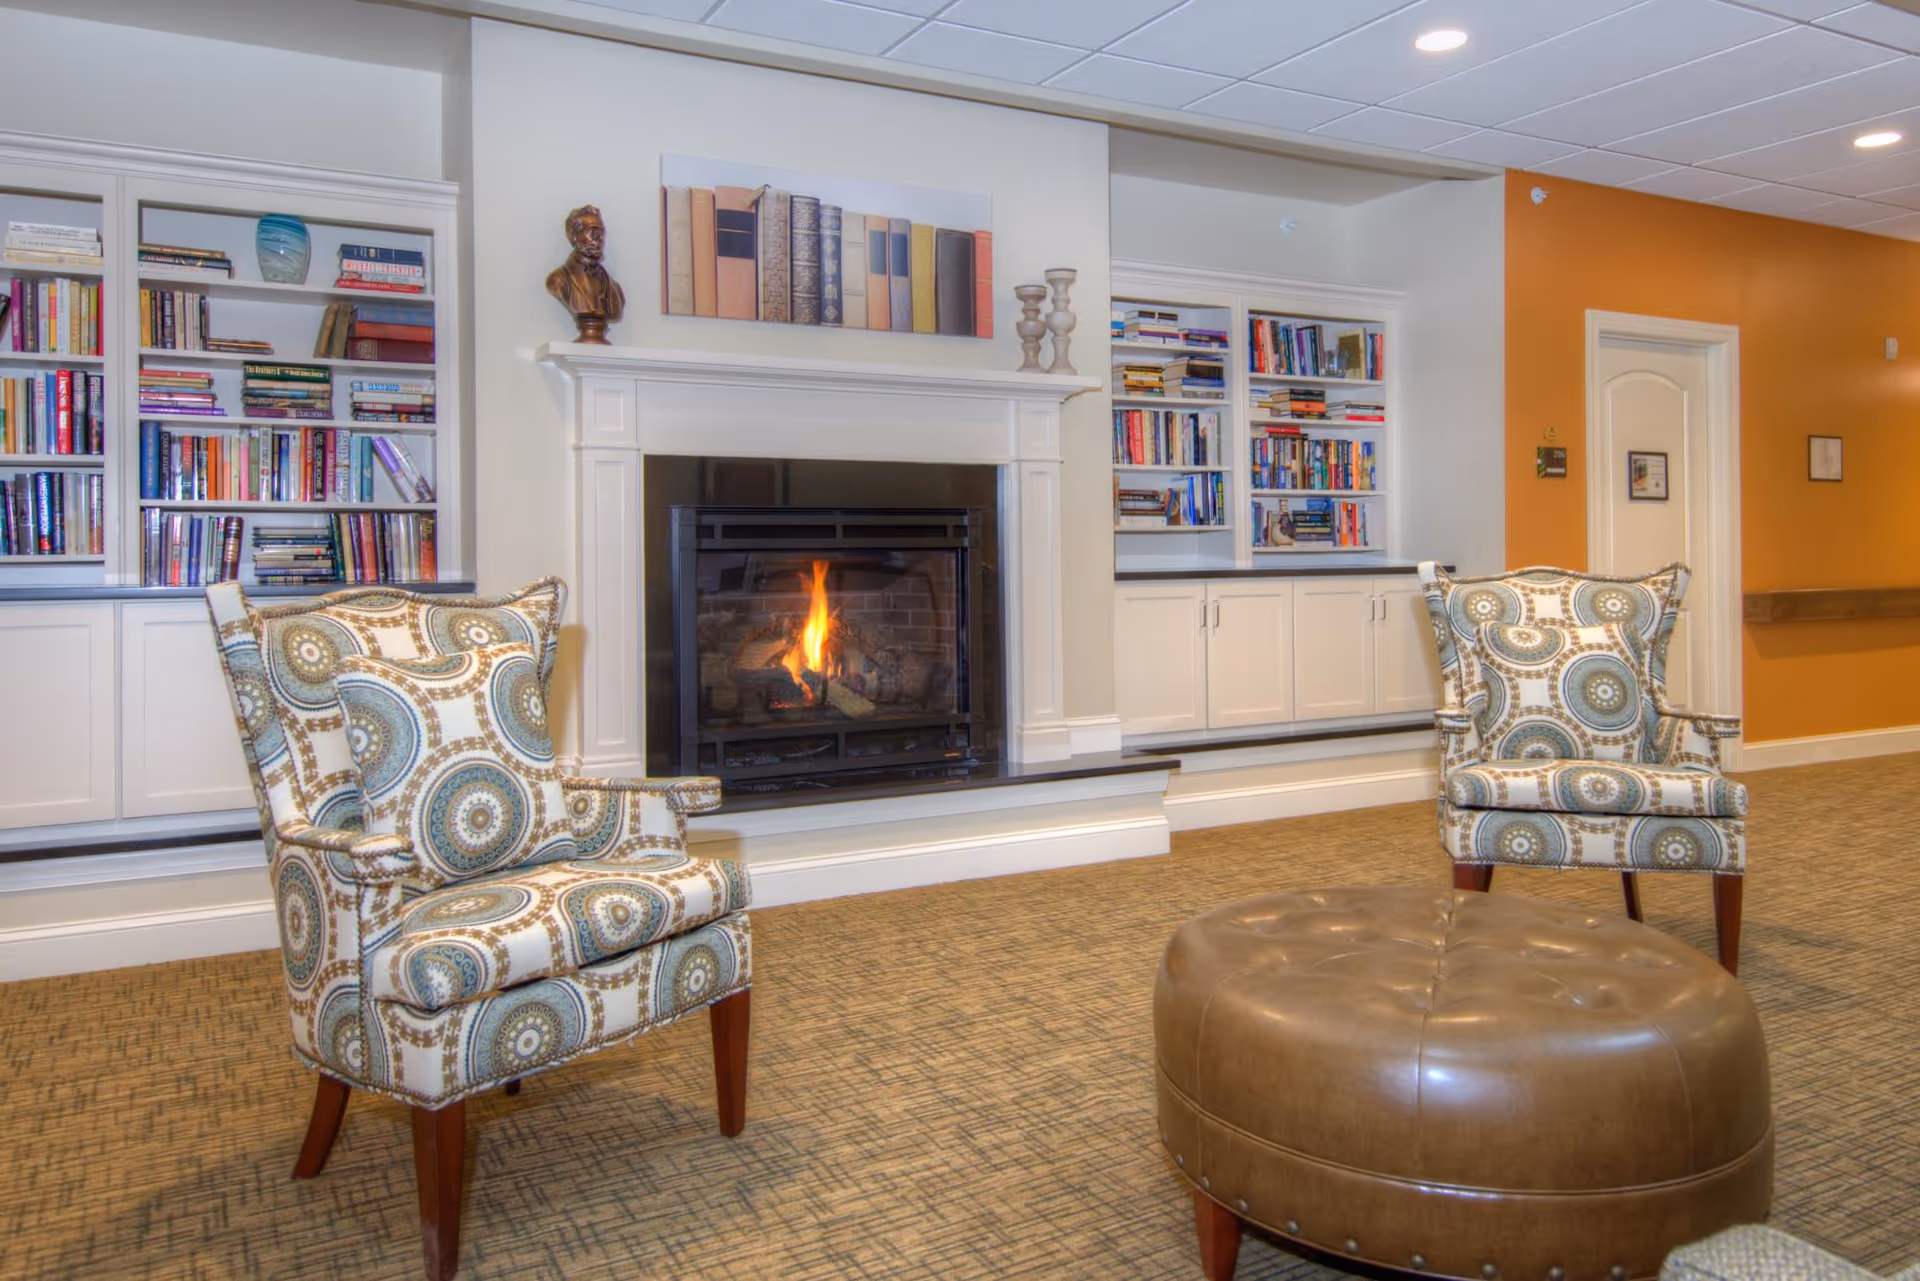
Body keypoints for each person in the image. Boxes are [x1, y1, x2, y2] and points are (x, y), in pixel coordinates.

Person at [546, 204, 625, 342]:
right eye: (592, 232)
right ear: (573, 236)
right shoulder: (558, 281)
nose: (599, 238)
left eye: (601, 233)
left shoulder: (616, 289)